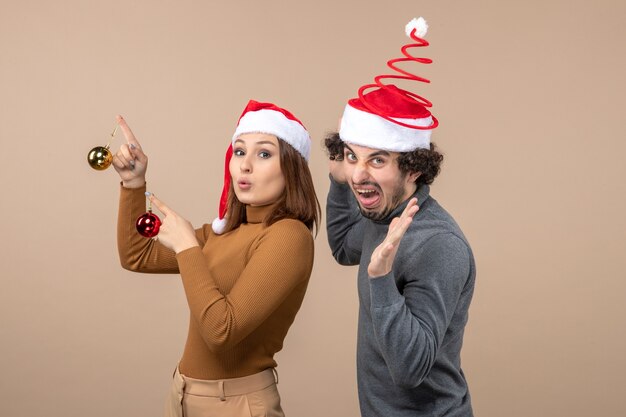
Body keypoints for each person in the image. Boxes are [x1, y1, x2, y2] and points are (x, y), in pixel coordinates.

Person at [111, 100, 320, 417]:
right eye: (239, 151)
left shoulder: (289, 236)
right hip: (182, 396)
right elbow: (136, 255)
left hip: (236, 405)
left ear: (291, 168)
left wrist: (187, 247)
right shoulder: (222, 233)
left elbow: (221, 332)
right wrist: (133, 183)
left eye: (264, 153)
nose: (245, 165)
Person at [324, 18, 476, 416]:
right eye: (352, 156)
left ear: (413, 168)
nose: (360, 174)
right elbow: (343, 247)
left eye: (377, 160)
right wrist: (339, 181)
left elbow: (411, 369)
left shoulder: (438, 244)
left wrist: (380, 277)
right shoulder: (383, 216)